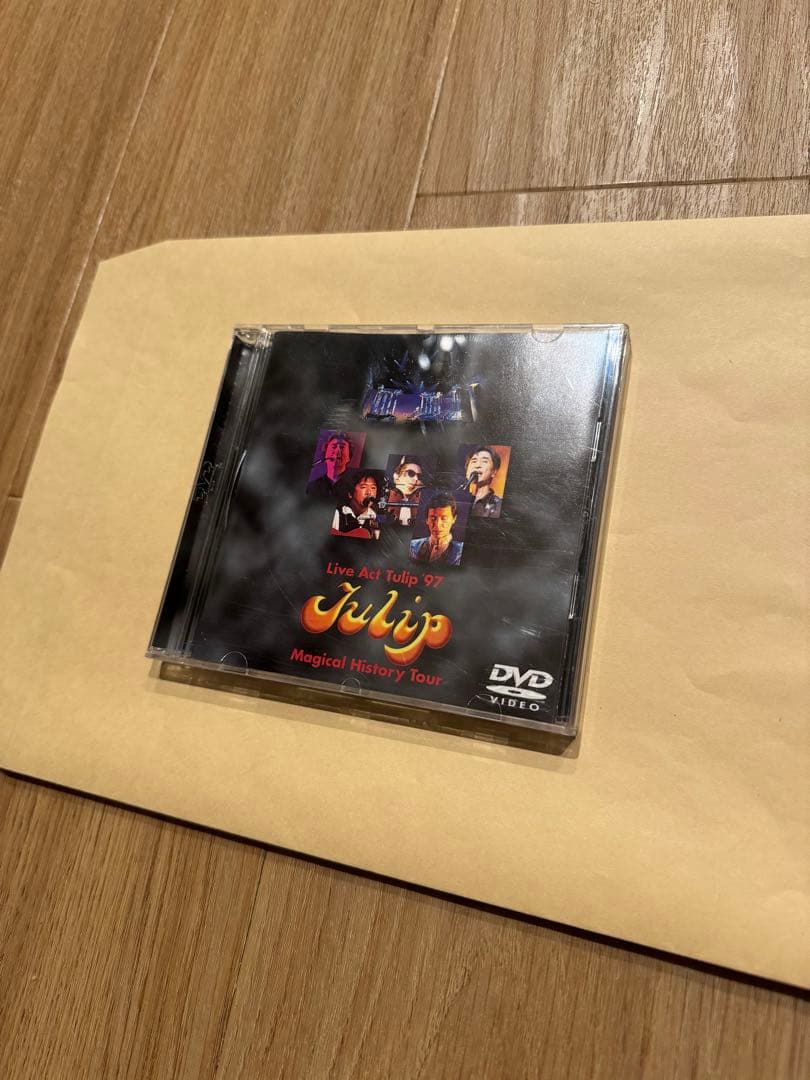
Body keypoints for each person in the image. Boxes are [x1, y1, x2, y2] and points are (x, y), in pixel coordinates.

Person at [409, 492, 463, 566]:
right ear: (427, 520)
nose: (437, 525)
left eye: (444, 518)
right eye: (433, 518)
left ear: (454, 519)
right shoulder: (413, 546)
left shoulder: (460, 552)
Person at [331, 469, 384, 540]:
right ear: (350, 493)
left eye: (373, 488)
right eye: (363, 487)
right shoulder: (336, 514)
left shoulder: (375, 518)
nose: (369, 492)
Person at [384, 455, 427, 526]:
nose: (416, 479)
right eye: (411, 473)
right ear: (396, 475)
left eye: (419, 476)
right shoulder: (385, 497)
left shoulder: (422, 500)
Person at [307, 432, 353, 497]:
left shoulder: (352, 488)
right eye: (334, 447)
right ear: (325, 454)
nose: (337, 451)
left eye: (342, 447)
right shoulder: (312, 487)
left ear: (349, 457)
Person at [463, 445, 503, 518]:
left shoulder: (499, 505)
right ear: (466, 472)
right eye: (474, 461)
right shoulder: (457, 498)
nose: (477, 465)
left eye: (484, 461)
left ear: (494, 471)